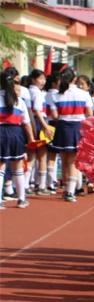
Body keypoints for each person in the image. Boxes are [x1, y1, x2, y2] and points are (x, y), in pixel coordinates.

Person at [47, 67, 93, 203]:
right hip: (77, 127)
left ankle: (67, 189)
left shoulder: (55, 95)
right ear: (74, 79)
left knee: (64, 159)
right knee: (73, 160)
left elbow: (54, 116)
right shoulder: (84, 94)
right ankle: (70, 191)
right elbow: (89, 114)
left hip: (62, 127)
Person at [0, 67, 34, 209]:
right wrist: (31, 139)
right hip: (16, 134)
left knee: (0, 168)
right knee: (18, 167)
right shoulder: (19, 101)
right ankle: (21, 199)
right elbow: (26, 123)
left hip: (1, 133)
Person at [28, 69, 51, 196]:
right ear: (33, 79)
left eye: (44, 79)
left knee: (31, 154)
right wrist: (45, 126)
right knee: (42, 154)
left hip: (31, 123)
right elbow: (37, 110)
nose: (43, 81)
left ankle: (28, 183)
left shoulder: (28, 91)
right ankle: (41, 185)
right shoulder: (36, 92)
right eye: (40, 78)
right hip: (38, 122)